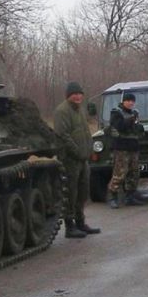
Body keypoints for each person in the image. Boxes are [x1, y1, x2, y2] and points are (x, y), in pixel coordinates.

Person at [54, 82, 100, 238]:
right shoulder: (62, 111)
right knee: (71, 192)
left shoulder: (79, 110)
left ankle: (80, 222)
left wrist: (89, 148)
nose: (78, 96)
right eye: (75, 94)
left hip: (82, 159)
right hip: (70, 159)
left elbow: (85, 132)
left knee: (83, 191)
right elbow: (63, 136)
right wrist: (78, 152)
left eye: (80, 94)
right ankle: (70, 226)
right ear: (69, 95)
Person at [107, 93, 145, 209]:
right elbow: (119, 126)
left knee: (134, 172)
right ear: (123, 101)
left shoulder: (134, 113)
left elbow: (137, 129)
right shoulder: (116, 113)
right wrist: (130, 121)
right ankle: (112, 196)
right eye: (128, 101)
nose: (130, 103)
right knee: (119, 173)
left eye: (132, 101)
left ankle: (130, 196)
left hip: (133, 147)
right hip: (121, 147)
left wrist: (138, 127)